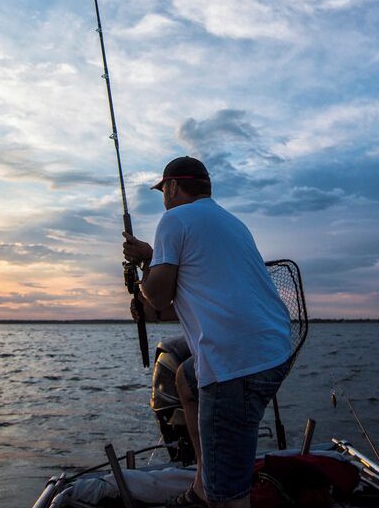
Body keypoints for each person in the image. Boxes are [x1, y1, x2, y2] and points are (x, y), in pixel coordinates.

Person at [123, 156, 292, 508]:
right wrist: (151, 259)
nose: (164, 199)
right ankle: (204, 482)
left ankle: (217, 491)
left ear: (171, 187)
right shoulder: (230, 223)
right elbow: (186, 293)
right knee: (185, 379)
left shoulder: (174, 219)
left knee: (229, 499)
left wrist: (144, 276)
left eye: (163, 191)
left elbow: (157, 296)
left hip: (237, 364)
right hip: (273, 351)